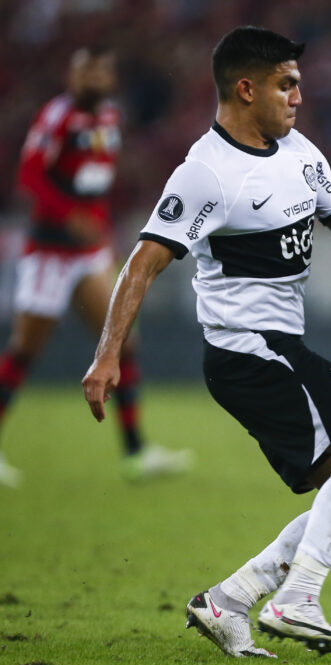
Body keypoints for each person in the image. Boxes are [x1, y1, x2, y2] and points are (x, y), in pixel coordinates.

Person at [82, 26, 331, 657]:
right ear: (245, 88)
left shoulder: (302, 153)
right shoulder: (205, 173)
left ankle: (228, 600)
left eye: (299, 86)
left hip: (282, 347)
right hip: (246, 351)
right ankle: (298, 599)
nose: (297, 99)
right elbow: (142, 264)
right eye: (286, 86)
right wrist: (106, 353)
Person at [0, 45, 191, 487]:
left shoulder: (109, 117)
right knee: (25, 350)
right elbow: (29, 175)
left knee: (123, 342)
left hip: (89, 253)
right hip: (50, 250)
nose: (95, 78)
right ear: (73, 73)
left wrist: (99, 224)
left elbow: (96, 177)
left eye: (102, 70)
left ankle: (136, 453)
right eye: (87, 70)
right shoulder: (57, 116)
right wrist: (69, 215)